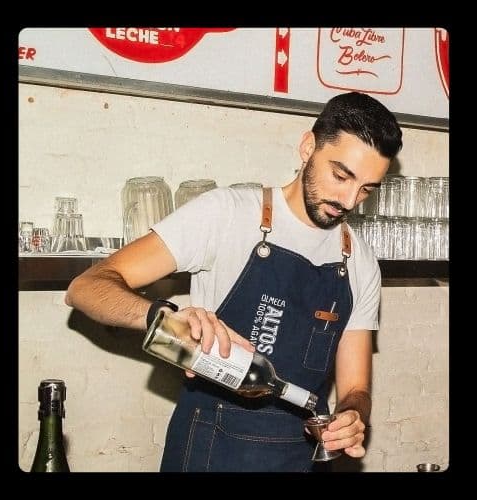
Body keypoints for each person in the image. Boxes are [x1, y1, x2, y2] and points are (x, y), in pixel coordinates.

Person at [65, 92, 402, 472]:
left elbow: (355, 388)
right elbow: (86, 288)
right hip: (212, 450)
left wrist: (353, 415)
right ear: (308, 147)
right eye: (341, 176)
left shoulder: (359, 261)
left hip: (302, 456)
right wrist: (166, 317)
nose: (350, 200)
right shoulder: (226, 215)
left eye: (367, 189)